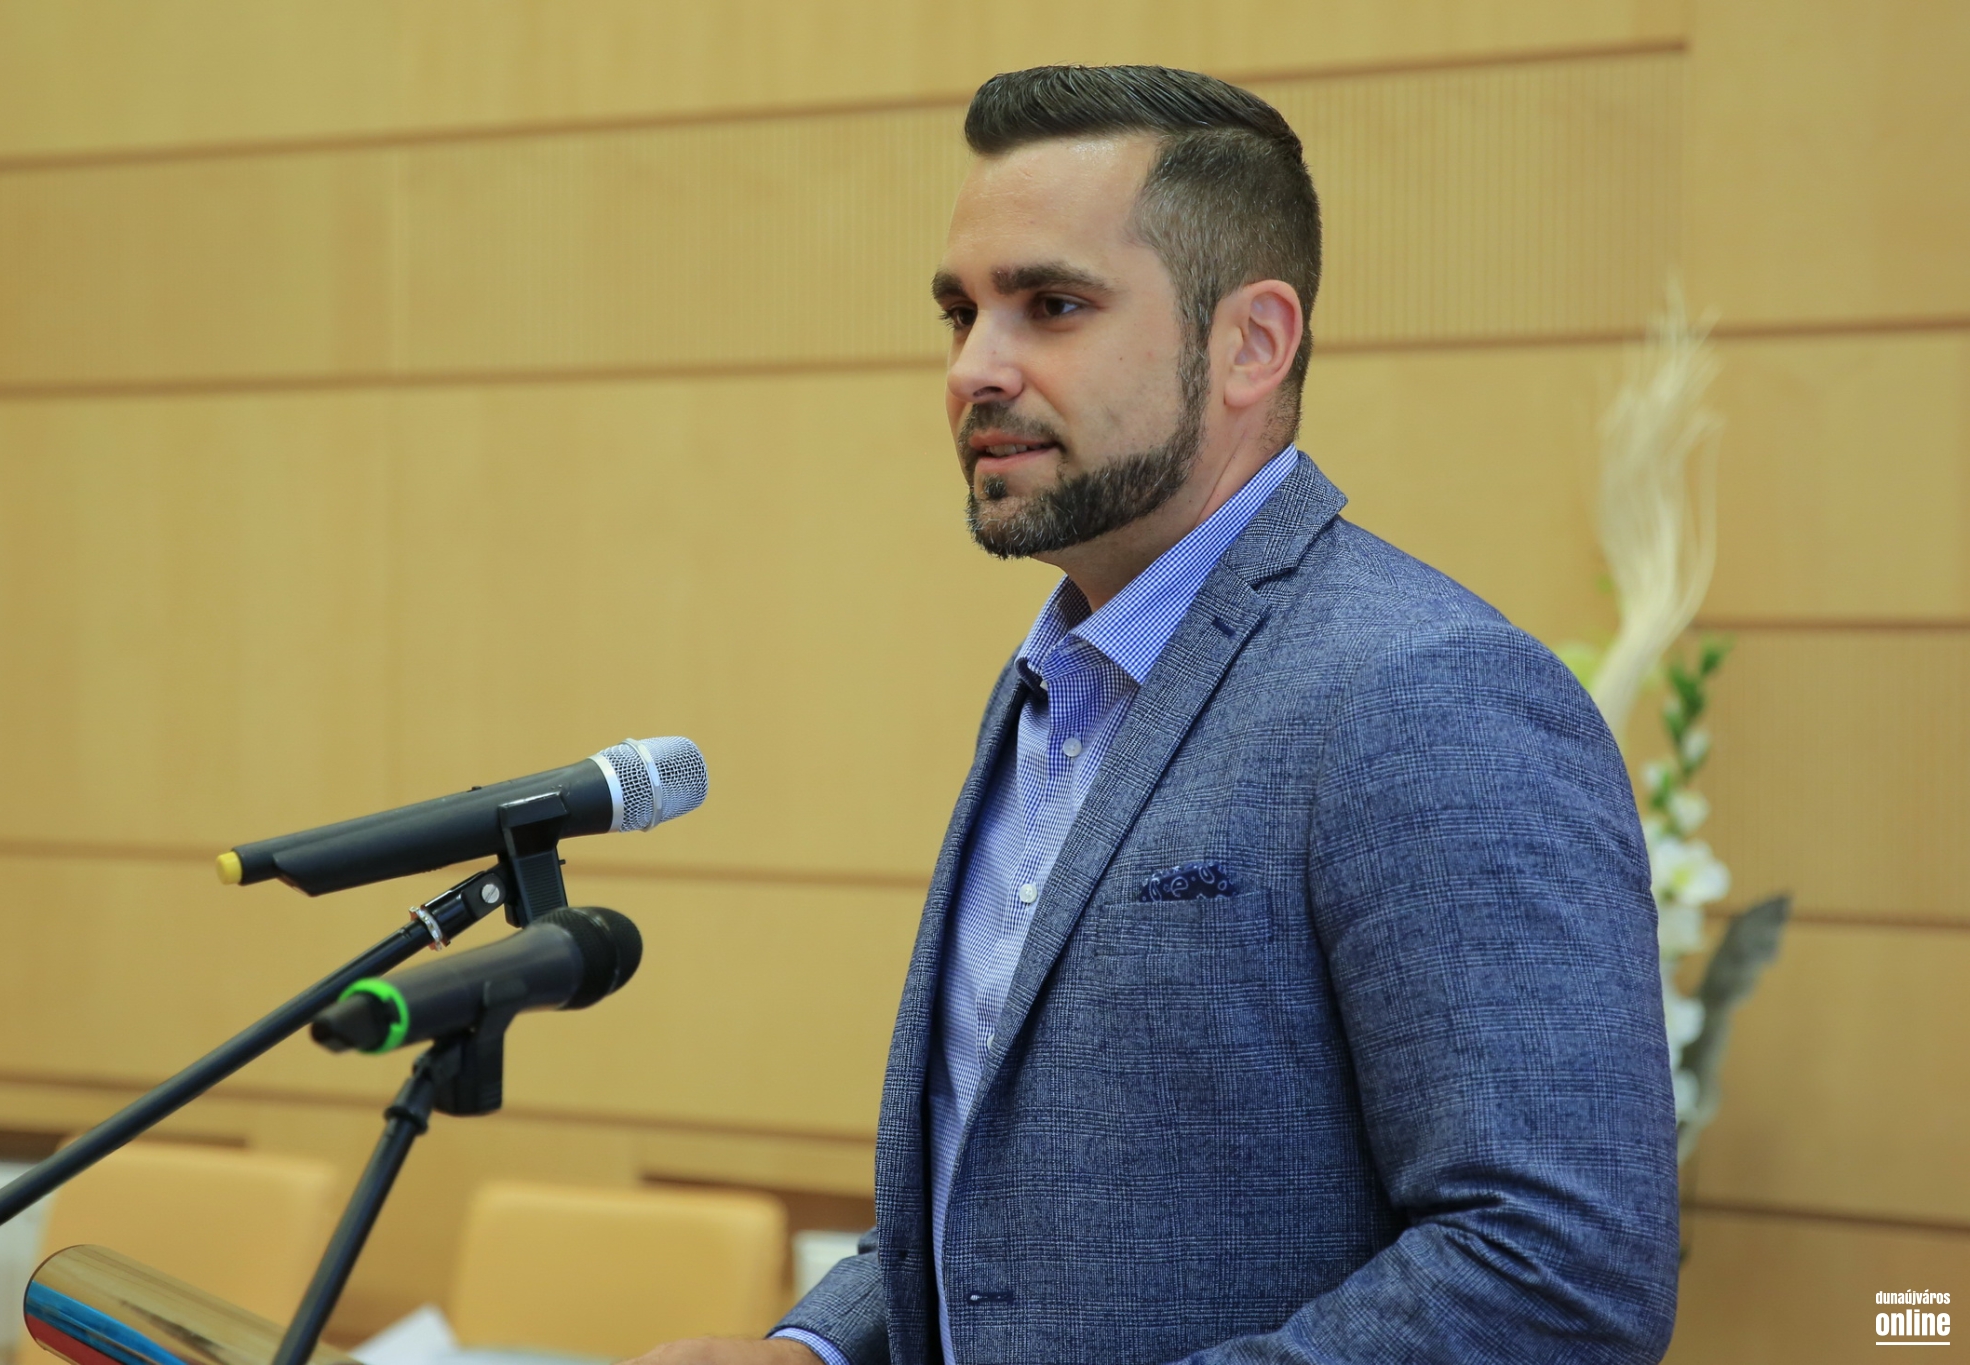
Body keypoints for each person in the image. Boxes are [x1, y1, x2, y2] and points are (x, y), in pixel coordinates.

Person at [630, 64, 1677, 1365]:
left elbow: (1558, 1276)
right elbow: (1015, 1200)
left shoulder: (1427, 689)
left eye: (1052, 306)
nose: (974, 369)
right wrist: (816, 1350)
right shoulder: (1052, 684)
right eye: (960, 312)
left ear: (1252, 343)